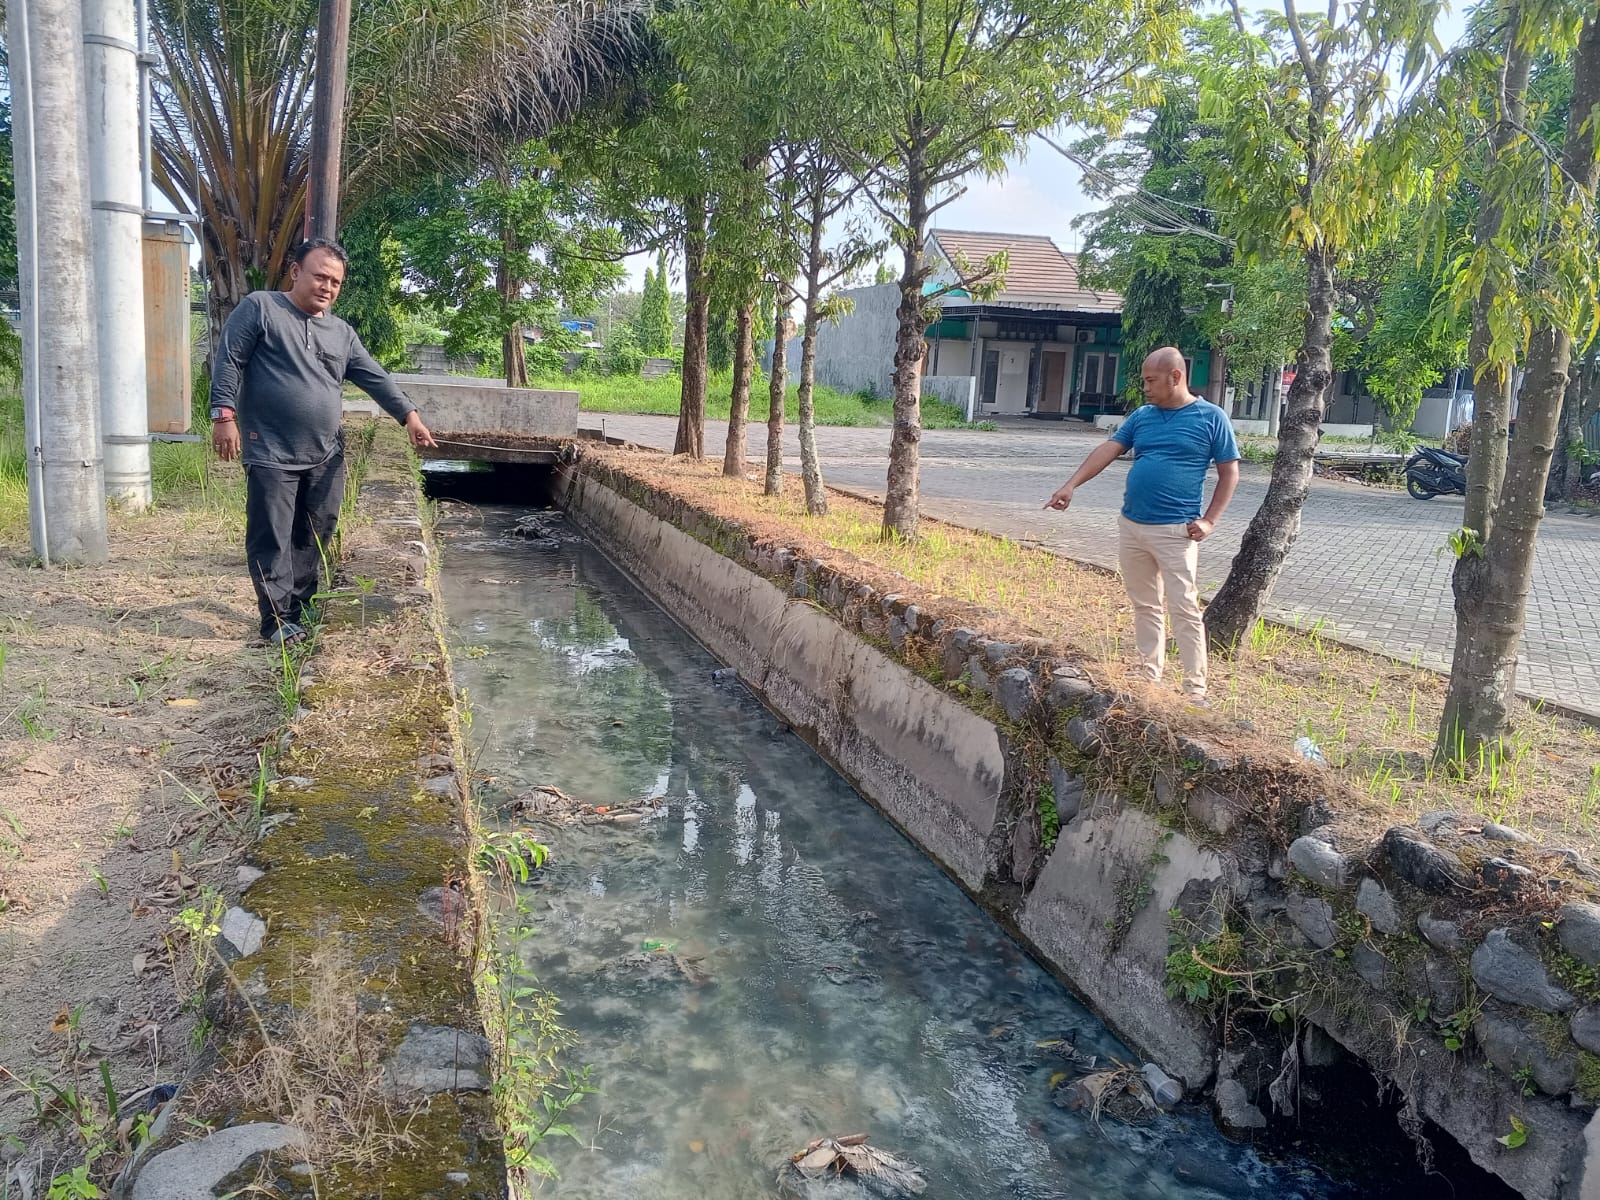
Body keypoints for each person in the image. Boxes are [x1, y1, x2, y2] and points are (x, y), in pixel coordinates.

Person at [209, 237, 438, 645]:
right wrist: (224, 415)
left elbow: (375, 376)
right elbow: (230, 360)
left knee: (315, 533)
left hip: (325, 453)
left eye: (335, 282)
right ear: (296, 272)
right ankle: (276, 622)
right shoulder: (261, 309)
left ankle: (300, 608)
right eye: (320, 276)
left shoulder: (341, 333)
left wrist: (409, 415)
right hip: (270, 449)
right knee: (272, 536)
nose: (327, 287)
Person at [1044, 347, 1240, 703]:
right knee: (1145, 604)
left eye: (1151, 381)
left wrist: (1210, 520)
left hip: (1176, 532)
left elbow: (1230, 473)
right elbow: (1108, 449)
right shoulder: (1143, 416)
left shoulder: (1211, 418)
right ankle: (1150, 677)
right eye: (1144, 380)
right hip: (1132, 525)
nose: (1146, 388)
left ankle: (1195, 689)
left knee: (1184, 608)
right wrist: (1071, 485)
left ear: (1175, 377)